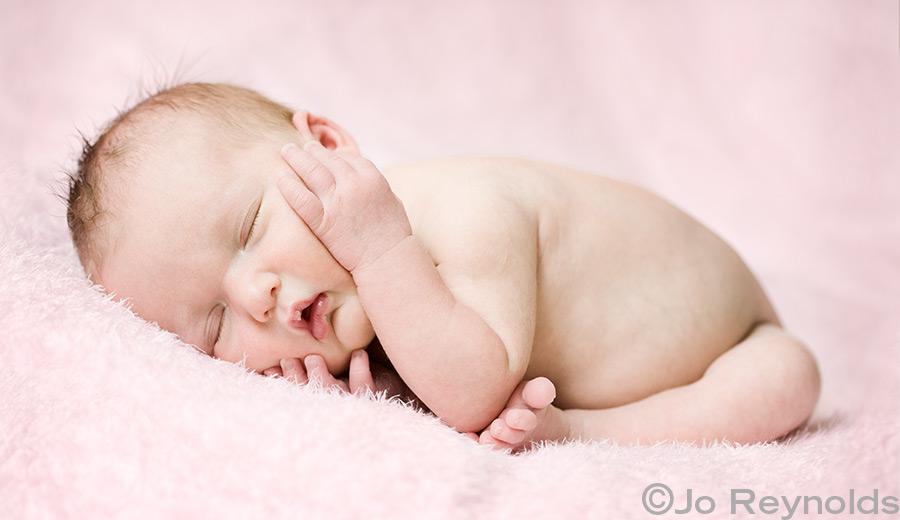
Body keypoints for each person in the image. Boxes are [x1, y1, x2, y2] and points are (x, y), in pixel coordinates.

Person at [66, 83, 820, 451]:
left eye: (248, 227)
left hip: (732, 337)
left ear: (328, 147)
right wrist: (377, 386)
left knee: (786, 377)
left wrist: (384, 250)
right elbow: (435, 363)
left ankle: (589, 435)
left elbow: (475, 389)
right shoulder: (362, 306)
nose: (253, 295)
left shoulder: (461, 210)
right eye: (214, 325)